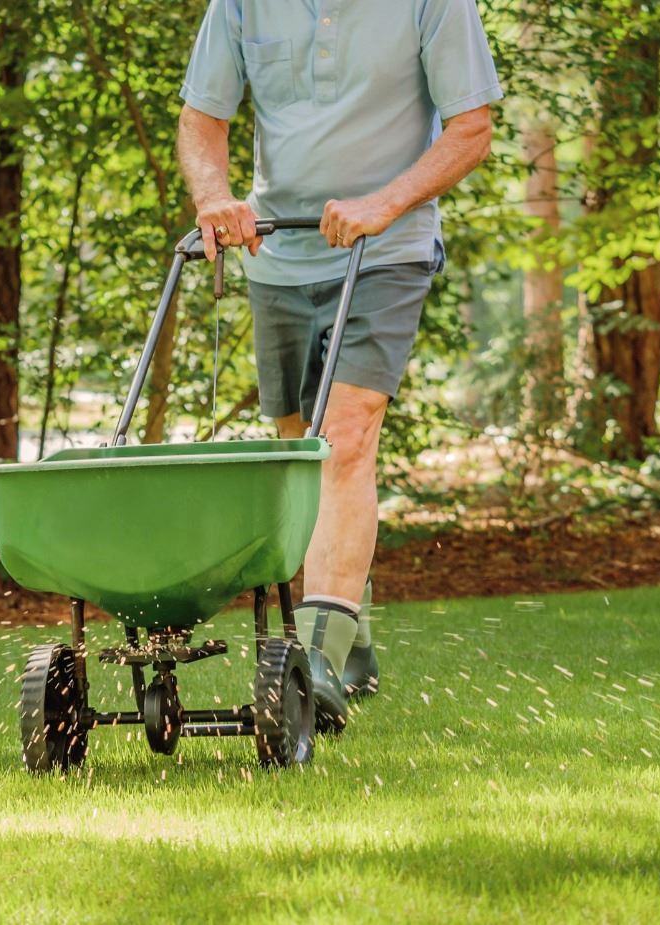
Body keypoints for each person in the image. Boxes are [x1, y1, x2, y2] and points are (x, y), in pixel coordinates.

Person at [177, 0, 503, 732]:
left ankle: (316, 659)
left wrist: (383, 203)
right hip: (277, 253)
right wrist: (214, 196)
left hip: (385, 249)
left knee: (345, 437)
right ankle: (348, 631)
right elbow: (203, 118)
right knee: (299, 453)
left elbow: (471, 126)